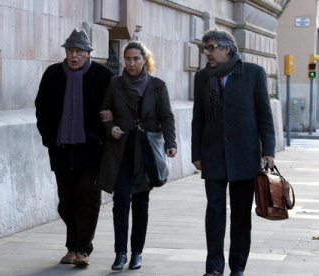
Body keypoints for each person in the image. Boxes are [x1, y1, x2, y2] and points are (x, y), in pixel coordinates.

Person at [191, 27, 276, 276]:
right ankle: (214, 267)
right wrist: (196, 153)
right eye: (205, 48)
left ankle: (237, 267)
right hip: (213, 154)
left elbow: (264, 116)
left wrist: (268, 151)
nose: (207, 52)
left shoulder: (252, 73)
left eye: (212, 47)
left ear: (227, 49)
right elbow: (198, 118)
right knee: (214, 213)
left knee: (241, 215)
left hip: (244, 155)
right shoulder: (202, 77)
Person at [35, 28, 114, 267]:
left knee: (88, 199)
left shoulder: (103, 76)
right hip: (61, 149)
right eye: (70, 51)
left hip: (90, 150)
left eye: (79, 51)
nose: (74, 56)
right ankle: (72, 246)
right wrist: (49, 137)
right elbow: (42, 108)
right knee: (66, 202)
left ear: (89, 53)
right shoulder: (52, 74)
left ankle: (82, 249)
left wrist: (101, 137)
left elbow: (111, 108)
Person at [97, 41, 177, 271]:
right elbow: (104, 111)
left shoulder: (157, 86)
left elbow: (167, 117)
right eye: (128, 59)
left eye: (136, 59)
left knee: (141, 204)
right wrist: (110, 126)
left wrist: (170, 143)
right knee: (120, 202)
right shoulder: (115, 83)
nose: (131, 64)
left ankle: (137, 253)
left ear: (145, 60)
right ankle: (120, 253)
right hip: (120, 151)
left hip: (146, 153)